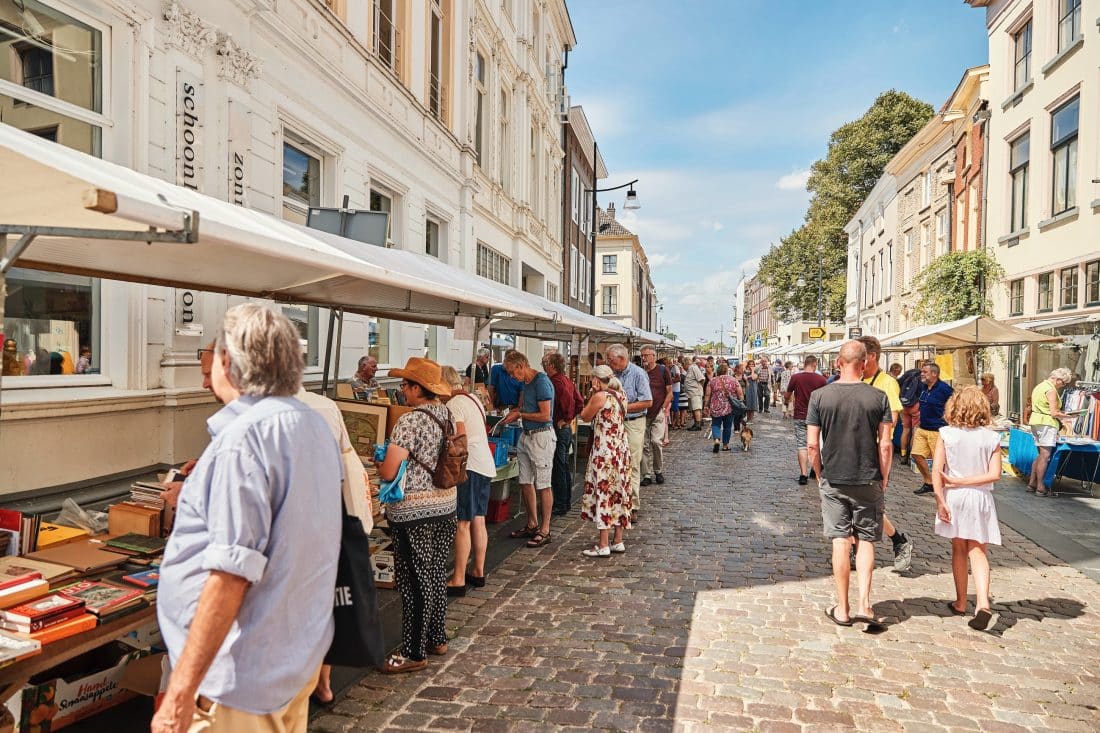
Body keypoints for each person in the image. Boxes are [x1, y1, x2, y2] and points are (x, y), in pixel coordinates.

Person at [154, 304, 341, 733]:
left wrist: (179, 691)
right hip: (290, 657)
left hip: (241, 676)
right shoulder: (310, 424)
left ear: (227, 361)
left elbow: (229, 575)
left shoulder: (244, 439)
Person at [375, 357, 459, 674]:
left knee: (413, 582)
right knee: (436, 573)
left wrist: (380, 461)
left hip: (414, 511)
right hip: (446, 504)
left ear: (415, 388)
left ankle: (413, 652)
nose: (402, 391)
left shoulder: (409, 421)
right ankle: (436, 637)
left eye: (405, 386)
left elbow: (390, 468)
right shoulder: (446, 414)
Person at [297, 379, 374, 706]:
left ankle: (302, 682)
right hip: (329, 516)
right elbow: (347, 458)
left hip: (294, 524)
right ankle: (323, 681)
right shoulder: (326, 406)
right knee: (324, 602)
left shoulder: (264, 413)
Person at [806, 340, 893, 630]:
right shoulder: (878, 397)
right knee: (866, 540)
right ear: (865, 363)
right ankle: (865, 605)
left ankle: (842, 609)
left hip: (834, 476)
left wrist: (818, 472)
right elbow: (886, 445)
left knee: (841, 541)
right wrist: (885, 475)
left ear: (838, 362)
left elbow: (811, 444)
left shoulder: (820, 396)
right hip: (868, 476)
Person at [933, 386, 1003, 631]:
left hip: (955, 496)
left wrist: (941, 499)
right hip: (980, 497)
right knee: (978, 550)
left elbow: (937, 472)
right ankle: (983, 602)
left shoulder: (946, 433)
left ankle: (961, 601)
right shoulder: (992, 437)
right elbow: (995, 475)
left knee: (959, 549)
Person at [858, 336, 914, 573]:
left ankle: (898, 540)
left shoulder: (887, 383)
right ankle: (857, 546)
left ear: (871, 356)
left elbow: (890, 425)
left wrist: (885, 465)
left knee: (871, 505)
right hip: (854, 449)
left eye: (861, 355)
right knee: (855, 504)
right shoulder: (857, 379)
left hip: (873, 452)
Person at [441, 366, 494, 596]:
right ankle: (478, 571)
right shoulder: (472, 397)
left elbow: (459, 436)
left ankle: (458, 578)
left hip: (469, 466)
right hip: (484, 463)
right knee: (478, 519)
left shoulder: (454, 404)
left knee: (462, 522)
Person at [499, 350, 556, 547]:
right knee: (525, 481)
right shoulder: (526, 383)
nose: (512, 377)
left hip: (541, 436)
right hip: (527, 435)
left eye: (513, 372)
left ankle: (545, 529)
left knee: (543, 484)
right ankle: (532, 523)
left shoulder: (541, 382)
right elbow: (524, 408)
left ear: (521, 366)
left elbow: (545, 415)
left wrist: (521, 415)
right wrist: (515, 412)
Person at [578, 365, 633, 557]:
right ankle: (618, 540)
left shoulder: (600, 396)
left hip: (605, 451)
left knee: (603, 491)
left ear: (595, 380)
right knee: (619, 491)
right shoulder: (621, 394)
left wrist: (590, 395)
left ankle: (602, 544)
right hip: (621, 449)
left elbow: (585, 416)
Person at [606, 344, 653, 520]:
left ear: (622, 358)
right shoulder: (612, 374)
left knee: (632, 462)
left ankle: (632, 506)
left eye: (611, 360)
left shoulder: (638, 374)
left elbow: (647, 401)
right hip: (615, 423)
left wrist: (621, 407)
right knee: (614, 463)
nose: (609, 363)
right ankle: (616, 501)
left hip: (633, 423)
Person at [542, 353, 582, 516]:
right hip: (563, 428)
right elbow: (579, 402)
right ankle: (564, 501)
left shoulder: (557, 382)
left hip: (559, 428)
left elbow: (571, 402)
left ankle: (560, 503)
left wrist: (566, 418)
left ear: (551, 365)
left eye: (544, 363)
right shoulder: (566, 380)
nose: (543, 366)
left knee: (559, 466)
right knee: (562, 465)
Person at [1027, 367, 1075, 497]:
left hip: (1036, 421)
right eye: (1064, 383)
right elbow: (1054, 412)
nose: (1063, 386)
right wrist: (1068, 416)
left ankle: (1032, 483)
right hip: (1046, 423)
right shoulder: (1051, 390)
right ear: (1058, 379)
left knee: (1040, 454)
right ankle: (1040, 486)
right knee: (1045, 456)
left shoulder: (1039, 386)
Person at [912, 363, 954, 495]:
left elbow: (955, 403)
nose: (922, 374)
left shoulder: (944, 389)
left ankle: (942, 485)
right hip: (922, 428)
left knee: (939, 462)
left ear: (934, 374)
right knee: (916, 454)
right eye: (922, 372)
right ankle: (928, 481)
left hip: (937, 430)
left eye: (925, 372)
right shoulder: (924, 387)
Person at [785, 355, 827, 485]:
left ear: (805, 364)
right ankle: (815, 470)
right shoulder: (821, 380)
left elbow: (787, 394)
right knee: (815, 444)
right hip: (816, 417)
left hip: (800, 415)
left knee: (802, 445)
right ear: (815, 364)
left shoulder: (796, 377)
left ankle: (803, 475)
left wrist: (787, 403)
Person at [640, 346, 672, 486]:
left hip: (658, 411)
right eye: (642, 356)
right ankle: (646, 474)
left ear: (653, 356)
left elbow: (669, 391)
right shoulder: (640, 372)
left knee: (656, 442)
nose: (644, 358)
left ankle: (658, 471)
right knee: (644, 445)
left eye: (646, 355)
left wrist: (664, 407)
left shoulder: (662, 370)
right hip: (642, 413)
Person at [704, 363, 743, 452]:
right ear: (726, 371)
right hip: (729, 407)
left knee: (716, 424)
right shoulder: (733, 380)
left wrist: (706, 405)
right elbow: (740, 393)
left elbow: (707, 394)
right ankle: (725, 445)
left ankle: (717, 439)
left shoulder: (712, 381)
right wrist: (740, 402)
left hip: (715, 406)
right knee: (727, 426)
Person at [897, 360, 924, 466]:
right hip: (916, 406)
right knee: (915, 431)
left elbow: (898, 382)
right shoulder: (923, 377)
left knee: (905, 430)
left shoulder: (909, 372)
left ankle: (903, 456)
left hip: (904, 405)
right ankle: (913, 457)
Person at [683, 357, 706, 430]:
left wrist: (699, 388)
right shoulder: (690, 369)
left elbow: (702, 379)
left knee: (696, 408)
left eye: (683, 364)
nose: (683, 367)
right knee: (693, 408)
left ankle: (698, 425)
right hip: (691, 393)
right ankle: (696, 423)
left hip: (695, 392)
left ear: (686, 363)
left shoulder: (693, 368)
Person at [668, 357, 683, 430]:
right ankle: (672, 423)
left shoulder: (675, 368)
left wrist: (670, 381)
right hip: (670, 389)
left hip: (675, 390)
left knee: (675, 407)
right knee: (671, 408)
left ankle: (678, 423)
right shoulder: (668, 368)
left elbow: (679, 378)